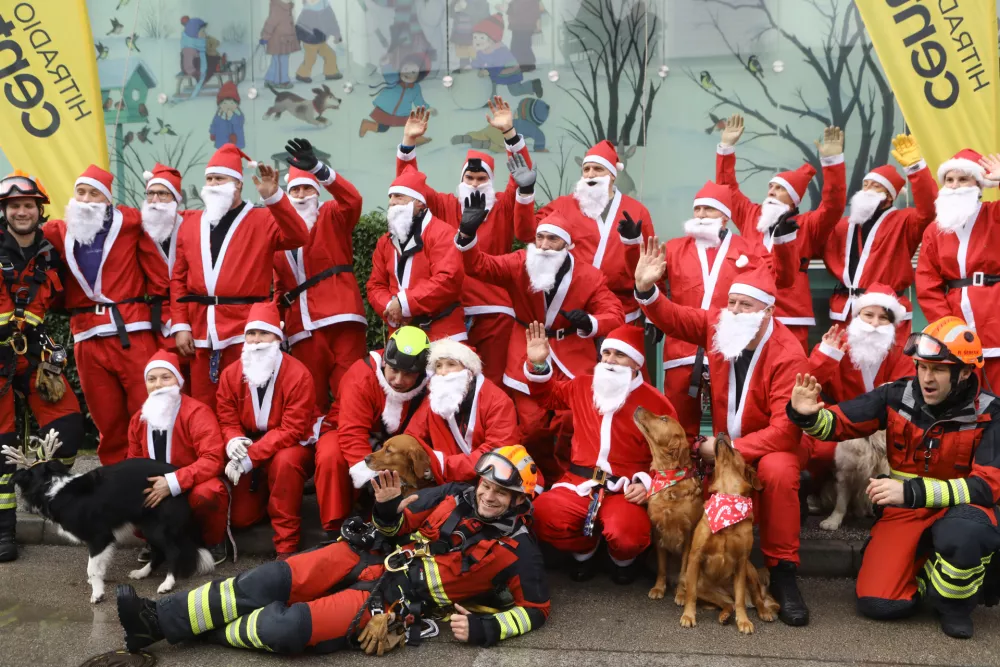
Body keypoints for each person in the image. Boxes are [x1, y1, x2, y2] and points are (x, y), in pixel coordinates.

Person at [116, 446, 550, 655]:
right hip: (366, 555)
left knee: (286, 630)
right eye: (486, 485)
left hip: (392, 602)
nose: (488, 496)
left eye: (501, 493)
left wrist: (485, 631)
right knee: (269, 579)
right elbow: (395, 526)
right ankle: (155, 620)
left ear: (519, 501)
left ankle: (197, 629)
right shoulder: (452, 495)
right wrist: (383, 508)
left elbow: (536, 609)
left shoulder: (521, 552)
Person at [787, 316, 1000, 639]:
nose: (926, 378)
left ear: (966, 373)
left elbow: (987, 487)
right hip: (905, 514)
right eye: (922, 367)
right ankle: (926, 564)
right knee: (879, 605)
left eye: (939, 369)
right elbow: (839, 424)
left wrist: (911, 493)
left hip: (961, 509)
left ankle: (954, 606)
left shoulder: (992, 413)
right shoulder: (896, 395)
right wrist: (805, 415)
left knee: (968, 532)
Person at [635, 239, 809, 626]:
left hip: (772, 447)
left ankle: (783, 573)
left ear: (767, 310)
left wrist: (726, 448)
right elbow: (676, 318)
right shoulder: (721, 325)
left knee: (778, 471)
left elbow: (784, 431)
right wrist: (647, 291)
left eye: (744, 305)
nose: (733, 311)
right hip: (728, 448)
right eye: (731, 303)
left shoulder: (788, 352)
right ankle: (706, 566)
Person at [457, 208, 624, 483]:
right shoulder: (519, 262)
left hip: (571, 355)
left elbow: (614, 313)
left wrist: (591, 322)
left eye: (553, 240)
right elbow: (479, 266)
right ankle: (535, 480)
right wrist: (467, 235)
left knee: (570, 422)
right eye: (540, 238)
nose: (544, 246)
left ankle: (566, 480)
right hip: (526, 350)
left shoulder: (590, 276)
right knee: (531, 427)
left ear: (568, 244)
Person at [525, 324, 676, 583]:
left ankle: (622, 561)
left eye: (620, 355)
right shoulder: (583, 385)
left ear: (637, 363)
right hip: (578, 483)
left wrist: (648, 484)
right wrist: (538, 365)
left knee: (627, 534)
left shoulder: (656, 403)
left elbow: (674, 455)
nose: (610, 360)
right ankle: (585, 550)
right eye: (606, 353)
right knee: (541, 515)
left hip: (625, 489)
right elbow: (547, 396)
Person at [397, 99, 532, 386]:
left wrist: (509, 133)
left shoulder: (503, 206)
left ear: (491, 182)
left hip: (495, 310)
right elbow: (410, 188)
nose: (474, 183)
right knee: (450, 384)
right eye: (469, 177)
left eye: (481, 178)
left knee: (492, 383)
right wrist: (408, 143)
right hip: (453, 311)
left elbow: (522, 175)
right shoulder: (446, 206)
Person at [653, 180, 798, 442]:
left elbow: (782, 278)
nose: (700, 215)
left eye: (708, 209)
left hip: (728, 351)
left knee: (726, 423)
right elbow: (649, 279)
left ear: (725, 216)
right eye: (697, 209)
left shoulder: (748, 248)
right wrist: (655, 318)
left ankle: (724, 475)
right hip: (681, 348)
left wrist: (784, 241)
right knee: (676, 428)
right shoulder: (673, 248)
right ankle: (679, 479)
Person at [169, 144, 310, 411]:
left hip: (245, 327)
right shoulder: (191, 223)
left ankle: (246, 450)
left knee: (245, 400)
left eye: (219, 178)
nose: (212, 184)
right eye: (209, 179)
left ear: (238, 184)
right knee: (203, 404)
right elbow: (178, 279)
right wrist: (180, 325)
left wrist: (274, 198)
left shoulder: (262, 218)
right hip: (200, 329)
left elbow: (299, 236)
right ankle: (210, 452)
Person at [43, 165, 167, 465]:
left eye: (94, 193)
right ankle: (115, 484)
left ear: (108, 199)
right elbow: (20, 227)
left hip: (133, 332)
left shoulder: (130, 222)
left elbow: (162, 275)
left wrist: (170, 321)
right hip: (86, 337)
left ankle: (153, 477)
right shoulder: (58, 232)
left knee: (148, 413)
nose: (86, 199)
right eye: (80, 192)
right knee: (106, 420)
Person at [0, 171, 83, 562]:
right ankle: (3, 533)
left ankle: (42, 492)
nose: (21, 211)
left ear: (39, 210)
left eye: (27, 205)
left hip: (34, 354)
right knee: (3, 448)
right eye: (14, 205)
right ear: (5, 211)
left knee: (67, 428)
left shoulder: (50, 253)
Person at [715, 113, 847, 352]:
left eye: (780, 188)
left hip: (791, 316)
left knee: (789, 376)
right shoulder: (751, 215)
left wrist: (833, 163)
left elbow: (833, 205)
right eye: (771, 187)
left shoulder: (806, 224)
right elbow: (727, 190)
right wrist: (726, 148)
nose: (772, 192)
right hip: (749, 313)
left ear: (794, 199)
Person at [215, 303, 318, 559]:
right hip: (251, 443)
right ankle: (266, 498)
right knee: (241, 518)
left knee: (285, 463)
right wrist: (232, 441)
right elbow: (226, 419)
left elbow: (292, 429)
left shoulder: (298, 374)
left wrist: (250, 458)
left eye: (264, 333)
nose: (257, 341)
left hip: (290, 445)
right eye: (252, 334)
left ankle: (286, 545)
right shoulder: (231, 374)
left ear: (277, 337)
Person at [272, 138, 367, 412]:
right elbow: (280, 286)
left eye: (306, 189)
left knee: (350, 394)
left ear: (317, 192)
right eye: (295, 190)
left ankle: (351, 446)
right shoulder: (278, 231)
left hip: (341, 317)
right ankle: (317, 450)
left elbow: (353, 199)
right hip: (301, 329)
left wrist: (319, 170)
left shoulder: (332, 214)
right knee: (310, 400)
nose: (301, 195)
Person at [513, 140, 652, 323]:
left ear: (612, 174)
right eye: (586, 169)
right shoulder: (564, 205)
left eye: (597, 169)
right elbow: (526, 234)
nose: (590, 174)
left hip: (621, 310)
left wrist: (652, 313)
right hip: (573, 307)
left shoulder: (636, 210)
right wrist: (525, 193)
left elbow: (650, 260)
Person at [313, 326, 430, 534]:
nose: (398, 381)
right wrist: (371, 478)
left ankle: (397, 521)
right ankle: (334, 528)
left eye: (408, 374)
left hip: (396, 442)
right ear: (385, 361)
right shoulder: (361, 374)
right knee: (331, 455)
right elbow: (351, 432)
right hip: (347, 432)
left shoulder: (431, 386)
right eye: (394, 370)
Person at [823, 135, 937, 342]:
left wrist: (915, 168)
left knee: (892, 368)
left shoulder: (905, 221)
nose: (866, 189)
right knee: (843, 367)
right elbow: (826, 213)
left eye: (875, 186)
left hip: (886, 312)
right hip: (845, 310)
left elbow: (929, 209)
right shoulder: (844, 225)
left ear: (890, 196)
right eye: (865, 184)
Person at [802, 283, 915, 483]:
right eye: (868, 315)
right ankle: (820, 496)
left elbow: (906, 392)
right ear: (857, 316)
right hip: (840, 423)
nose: (874, 323)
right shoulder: (836, 343)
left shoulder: (900, 351)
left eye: (883, 318)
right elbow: (808, 384)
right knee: (822, 454)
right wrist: (825, 356)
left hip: (884, 428)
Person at [127, 350, 228, 564]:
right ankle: (155, 542)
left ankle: (212, 541)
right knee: (128, 495)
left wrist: (173, 482)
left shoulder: (197, 413)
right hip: (155, 487)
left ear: (178, 382)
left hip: (192, 484)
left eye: (166, 377)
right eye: (151, 379)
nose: (158, 385)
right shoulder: (138, 419)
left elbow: (213, 459)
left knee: (209, 494)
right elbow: (132, 464)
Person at [916, 150, 1000, 393]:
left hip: (995, 317)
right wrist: (948, 326)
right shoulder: (935, 230)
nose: (955, 185)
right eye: (950, 180)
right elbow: (926, 282)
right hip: (956, 325)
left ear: (979, 184)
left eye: (963, 179)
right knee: (965, 400)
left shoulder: (994, 214)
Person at [366, 169, 467, 342]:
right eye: (390, 197)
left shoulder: (443, 233)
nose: (391, 202)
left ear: (419, 202)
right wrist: (391, 306)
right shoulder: (385, 241)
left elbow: (448, 279)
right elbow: (375, 285)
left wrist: (404, 304)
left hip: (443, 336)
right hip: (401, 336)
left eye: (399, 196)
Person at [405, 339, 519, 482]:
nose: (443, 372)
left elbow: (498, 453)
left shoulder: (498, 401)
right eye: (438, 366)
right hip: (446, 480)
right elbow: (411, 437)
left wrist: (442, 465)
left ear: (469, 371)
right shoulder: (435, 399)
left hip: (493, 481)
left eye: (451, 364)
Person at [138, 163, 187, 349]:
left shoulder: (192, 225)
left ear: (175, 199)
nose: (155, 199)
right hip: (155, 321)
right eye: (150, 194)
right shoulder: (137, 231)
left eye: (162, 194)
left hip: (191, 315)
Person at [471, 14, 543, 98]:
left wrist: (487, 72)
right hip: (493, 73)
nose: (477, 41)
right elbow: (478, 61)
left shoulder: (500, 51)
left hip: (510, 72)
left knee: (516, 91)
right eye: (475, 37)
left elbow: (498, 66)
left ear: (491, 40)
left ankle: (533, 85)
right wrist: (474, 67)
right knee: (490, 84)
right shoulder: (481, 51)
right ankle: (491, 100)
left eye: (481, 38)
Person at [294, 0, 342, 83]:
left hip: (320, 40)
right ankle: (302, 74)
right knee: (311, 58)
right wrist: (297, 40)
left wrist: (337, 35)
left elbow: (332, 22)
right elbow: (299, 26)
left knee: (330, 55)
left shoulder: (326, 9)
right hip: (309, 40)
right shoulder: (306, 11)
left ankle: (331, 73)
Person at [260, 0, 300, 89]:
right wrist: (265, 36)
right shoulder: (278, 7)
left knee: (277, 60)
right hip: (278, 41)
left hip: (285, 40)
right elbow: (271, 23)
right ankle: (281, 81)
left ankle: (270, 79)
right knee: (280, 61)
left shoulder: (287, 7)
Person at [209, 83, 246, 150]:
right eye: (225, 103)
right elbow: (214, 124)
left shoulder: (238, 114)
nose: (228, 106)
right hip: (221, 141)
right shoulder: (219, 115)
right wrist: (212, 133)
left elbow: (239, 123)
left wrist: (232, 117)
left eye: (231, 103)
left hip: (236, 141)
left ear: (236, 104)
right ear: (220, 104)